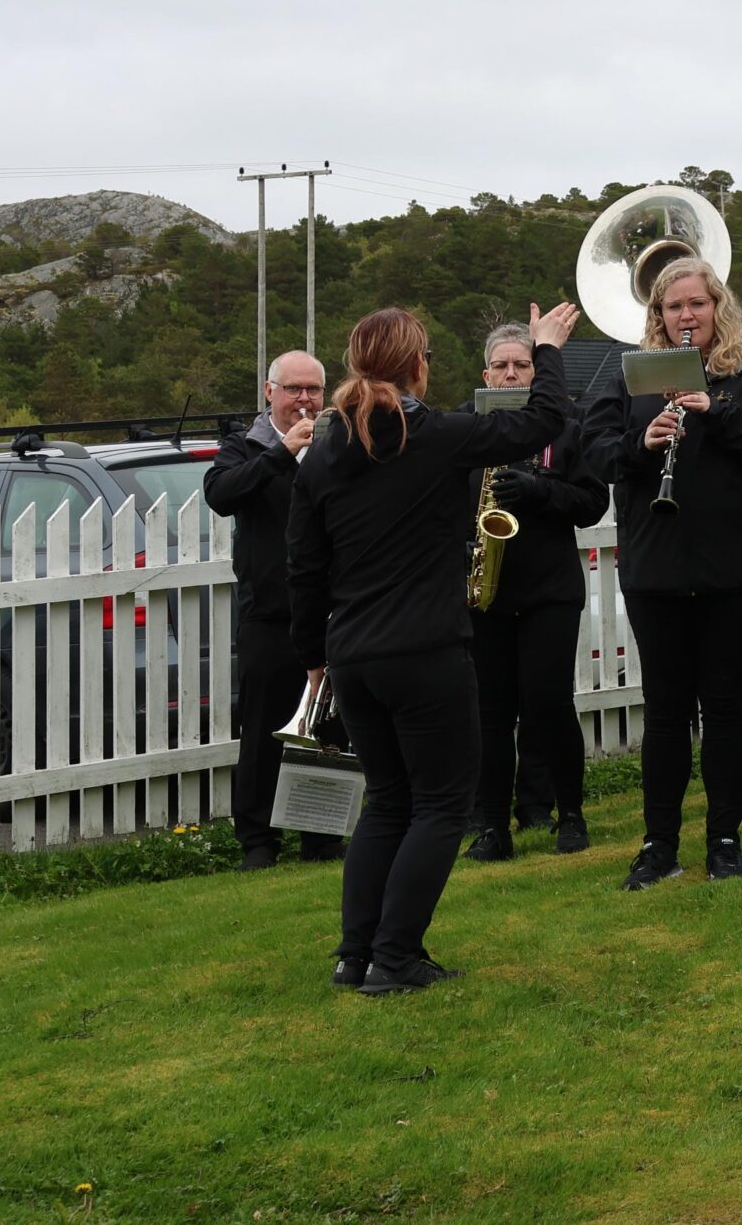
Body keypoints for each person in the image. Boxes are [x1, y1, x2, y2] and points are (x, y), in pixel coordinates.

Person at [288, 302, 576, 995]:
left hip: (353, 653)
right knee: (442, 804)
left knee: (387, 801)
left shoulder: (323, 451)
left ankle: (355, 955)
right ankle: (395, 957)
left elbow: (303, 566)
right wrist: (544, 350)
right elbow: (542, 421)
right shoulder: (437, 434)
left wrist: (315, 656)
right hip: (425, 648)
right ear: (417, 364)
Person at [584, 259, 742, 890]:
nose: (687, 315)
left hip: (738, 567)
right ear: (658, 315)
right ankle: (658, 844)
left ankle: (725, 841)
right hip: (657, 566)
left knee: (726, 708)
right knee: (665, 712)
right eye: (674, 306)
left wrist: (720, 410)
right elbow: (593, 450)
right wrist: (641, 443)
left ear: (718, 307)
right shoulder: (632, 377)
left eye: (698, 304)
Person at [461, 323, 610, 862]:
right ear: (486, 374)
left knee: (549, 703)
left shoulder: (565, 426)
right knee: (491, 713)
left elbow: (592, 503)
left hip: (550, 590)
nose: (511, 374)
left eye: (521, 365)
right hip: (487, 589)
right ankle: (492, 826)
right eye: (501, 366)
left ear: (536, 371)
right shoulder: (468, 428)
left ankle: (570, 814)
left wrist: (539, 490)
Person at [205, 349, 344, 871]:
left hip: (331, 609)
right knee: (264, 728)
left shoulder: (337, 442)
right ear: (270, 393)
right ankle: (259, 842)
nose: (304, 399)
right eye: (293, 389)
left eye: (313, 389)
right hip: (269, 612)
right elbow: (220, 494)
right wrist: (282, 453)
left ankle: (322, 836)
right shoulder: (244, 445)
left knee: (328, 728)